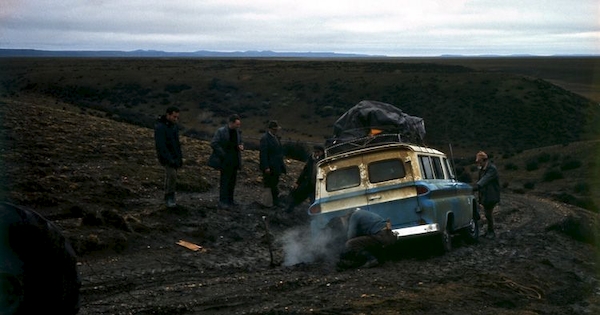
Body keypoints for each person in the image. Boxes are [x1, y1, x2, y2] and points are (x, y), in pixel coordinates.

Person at [208, 114, 244, 209]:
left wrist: (241, 146)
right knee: (225, 181)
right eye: (237, 124)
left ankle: (230, 200)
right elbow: (214, 143)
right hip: (225, 160)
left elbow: (240, 142)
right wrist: (223, 154)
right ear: (231, 123)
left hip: (235, 160)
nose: (238, 126)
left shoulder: (237, 132)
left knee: (232, 181)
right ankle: (222, 201)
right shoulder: (221, 131)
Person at [154, 106, 182, 208]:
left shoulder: (173, 126)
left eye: (177, 117)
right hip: (166, 157)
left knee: (170, 176)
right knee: (172, 175)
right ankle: (170, 197)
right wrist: (169, 159)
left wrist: (179, 157)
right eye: (174, 117)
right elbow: (161, 146)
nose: (176, 119)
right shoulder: (160, 127)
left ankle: (167, 196)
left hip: (174, 156)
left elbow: (177, 143)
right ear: (168, 115)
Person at [285, 145, 325, 213]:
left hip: (319, 185)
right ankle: (289, 210)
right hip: (309, 183)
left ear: (321, 153)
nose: (316, 154)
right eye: (315, 152)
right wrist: (298, 182)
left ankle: (314, 215)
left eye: (318, 152)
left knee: (314, 201)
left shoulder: (324, 161)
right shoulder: (311, 159)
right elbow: (305, 171)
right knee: (298, 196)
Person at [473, 151, 500, 239]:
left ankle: (491, 232)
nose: (478, 163)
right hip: (485, 195)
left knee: (488, 214)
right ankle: (489, 231)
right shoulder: (482, 169)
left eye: (479, 161)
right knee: (487, 214)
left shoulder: (492, 169)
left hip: (491, 195)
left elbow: (484, 180)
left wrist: (476, 187)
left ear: (484, 160)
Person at [259, 120, 287, 207]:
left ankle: (275, 202)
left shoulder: (276, 138)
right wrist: (266, 166)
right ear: (270, 129)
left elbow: (279, 153)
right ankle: (267, 203)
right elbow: (263, 154)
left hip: (276, 166)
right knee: (269, 185)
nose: (276, 131)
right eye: (274, 129)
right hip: (270, 166)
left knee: (274, 183)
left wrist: (282, 166)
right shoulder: (265, 138)